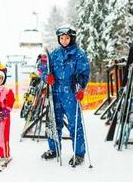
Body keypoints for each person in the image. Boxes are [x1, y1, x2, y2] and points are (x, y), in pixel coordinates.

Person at [41, 25, 90, 166]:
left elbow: (84, 73)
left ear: (72, 38)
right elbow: (45, 71)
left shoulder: (79, 54)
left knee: (75, 123)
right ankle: (54, 149)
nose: (64, 40)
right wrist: (47, 77)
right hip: (55, 93)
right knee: (54, 122)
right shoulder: (55, 54)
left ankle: (79, 153)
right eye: (61, 38)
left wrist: (80, 88)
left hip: (70, 92)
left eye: (67, 38)